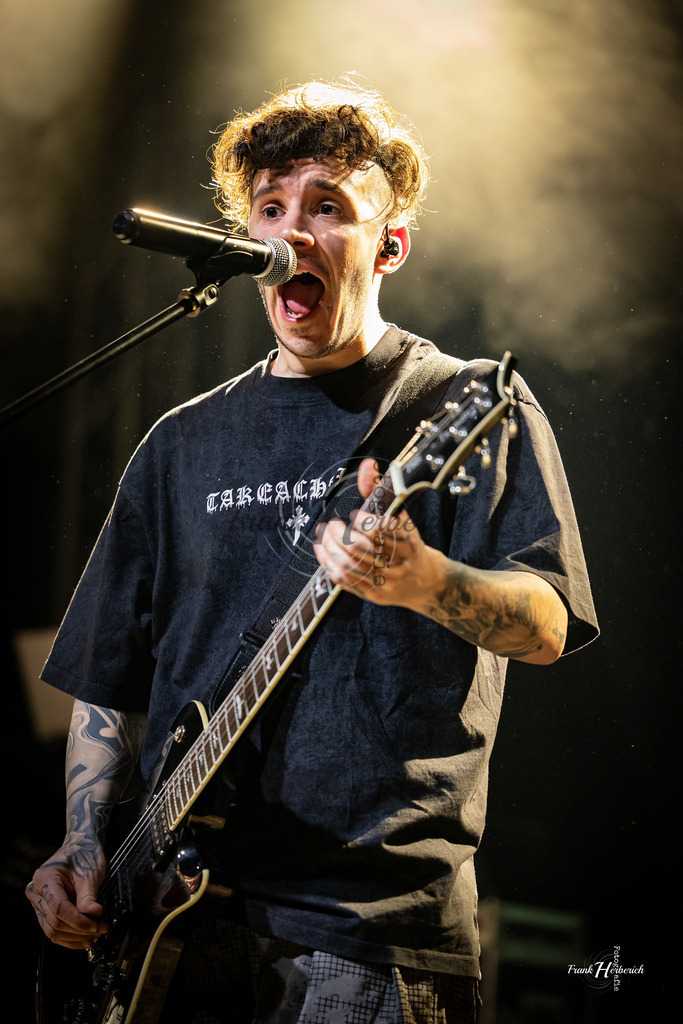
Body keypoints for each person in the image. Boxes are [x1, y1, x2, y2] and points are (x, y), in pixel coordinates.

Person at [26, 80, 598, 1024]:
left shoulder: (460, 405)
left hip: (365, 922)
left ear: (390, 245)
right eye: (271, 210)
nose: (293, 233)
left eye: (327, 207)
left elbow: (544, 625)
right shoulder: (179, 442)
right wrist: (83, 842)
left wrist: (430, 583)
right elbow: (108, 678)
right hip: (165, 913)